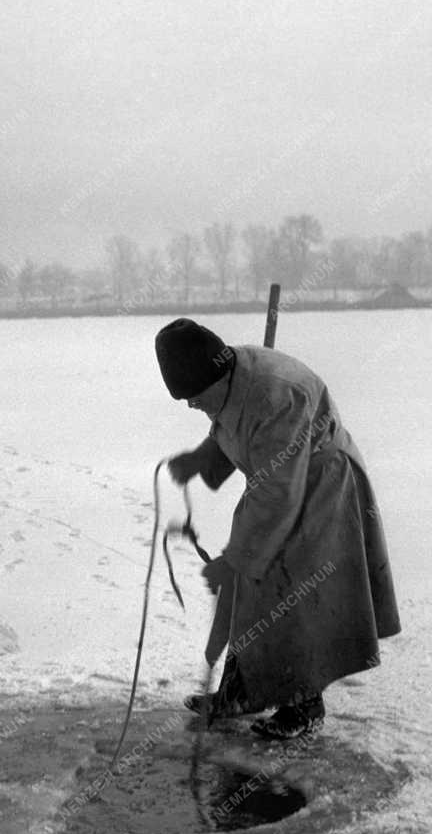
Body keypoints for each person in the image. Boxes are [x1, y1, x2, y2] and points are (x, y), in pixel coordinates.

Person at [154, 317, 400, 740]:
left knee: (292, 591)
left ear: (214, 375)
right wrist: (202, 459)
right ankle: (242, 689)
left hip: (320, 486)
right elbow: (240, 427)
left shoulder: (277, 395)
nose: (191, 406)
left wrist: (234, 562)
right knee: (255, 587)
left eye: (194, 397)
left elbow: (277, 494)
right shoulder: (229, 376)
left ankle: (302, 704)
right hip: (282, 484)